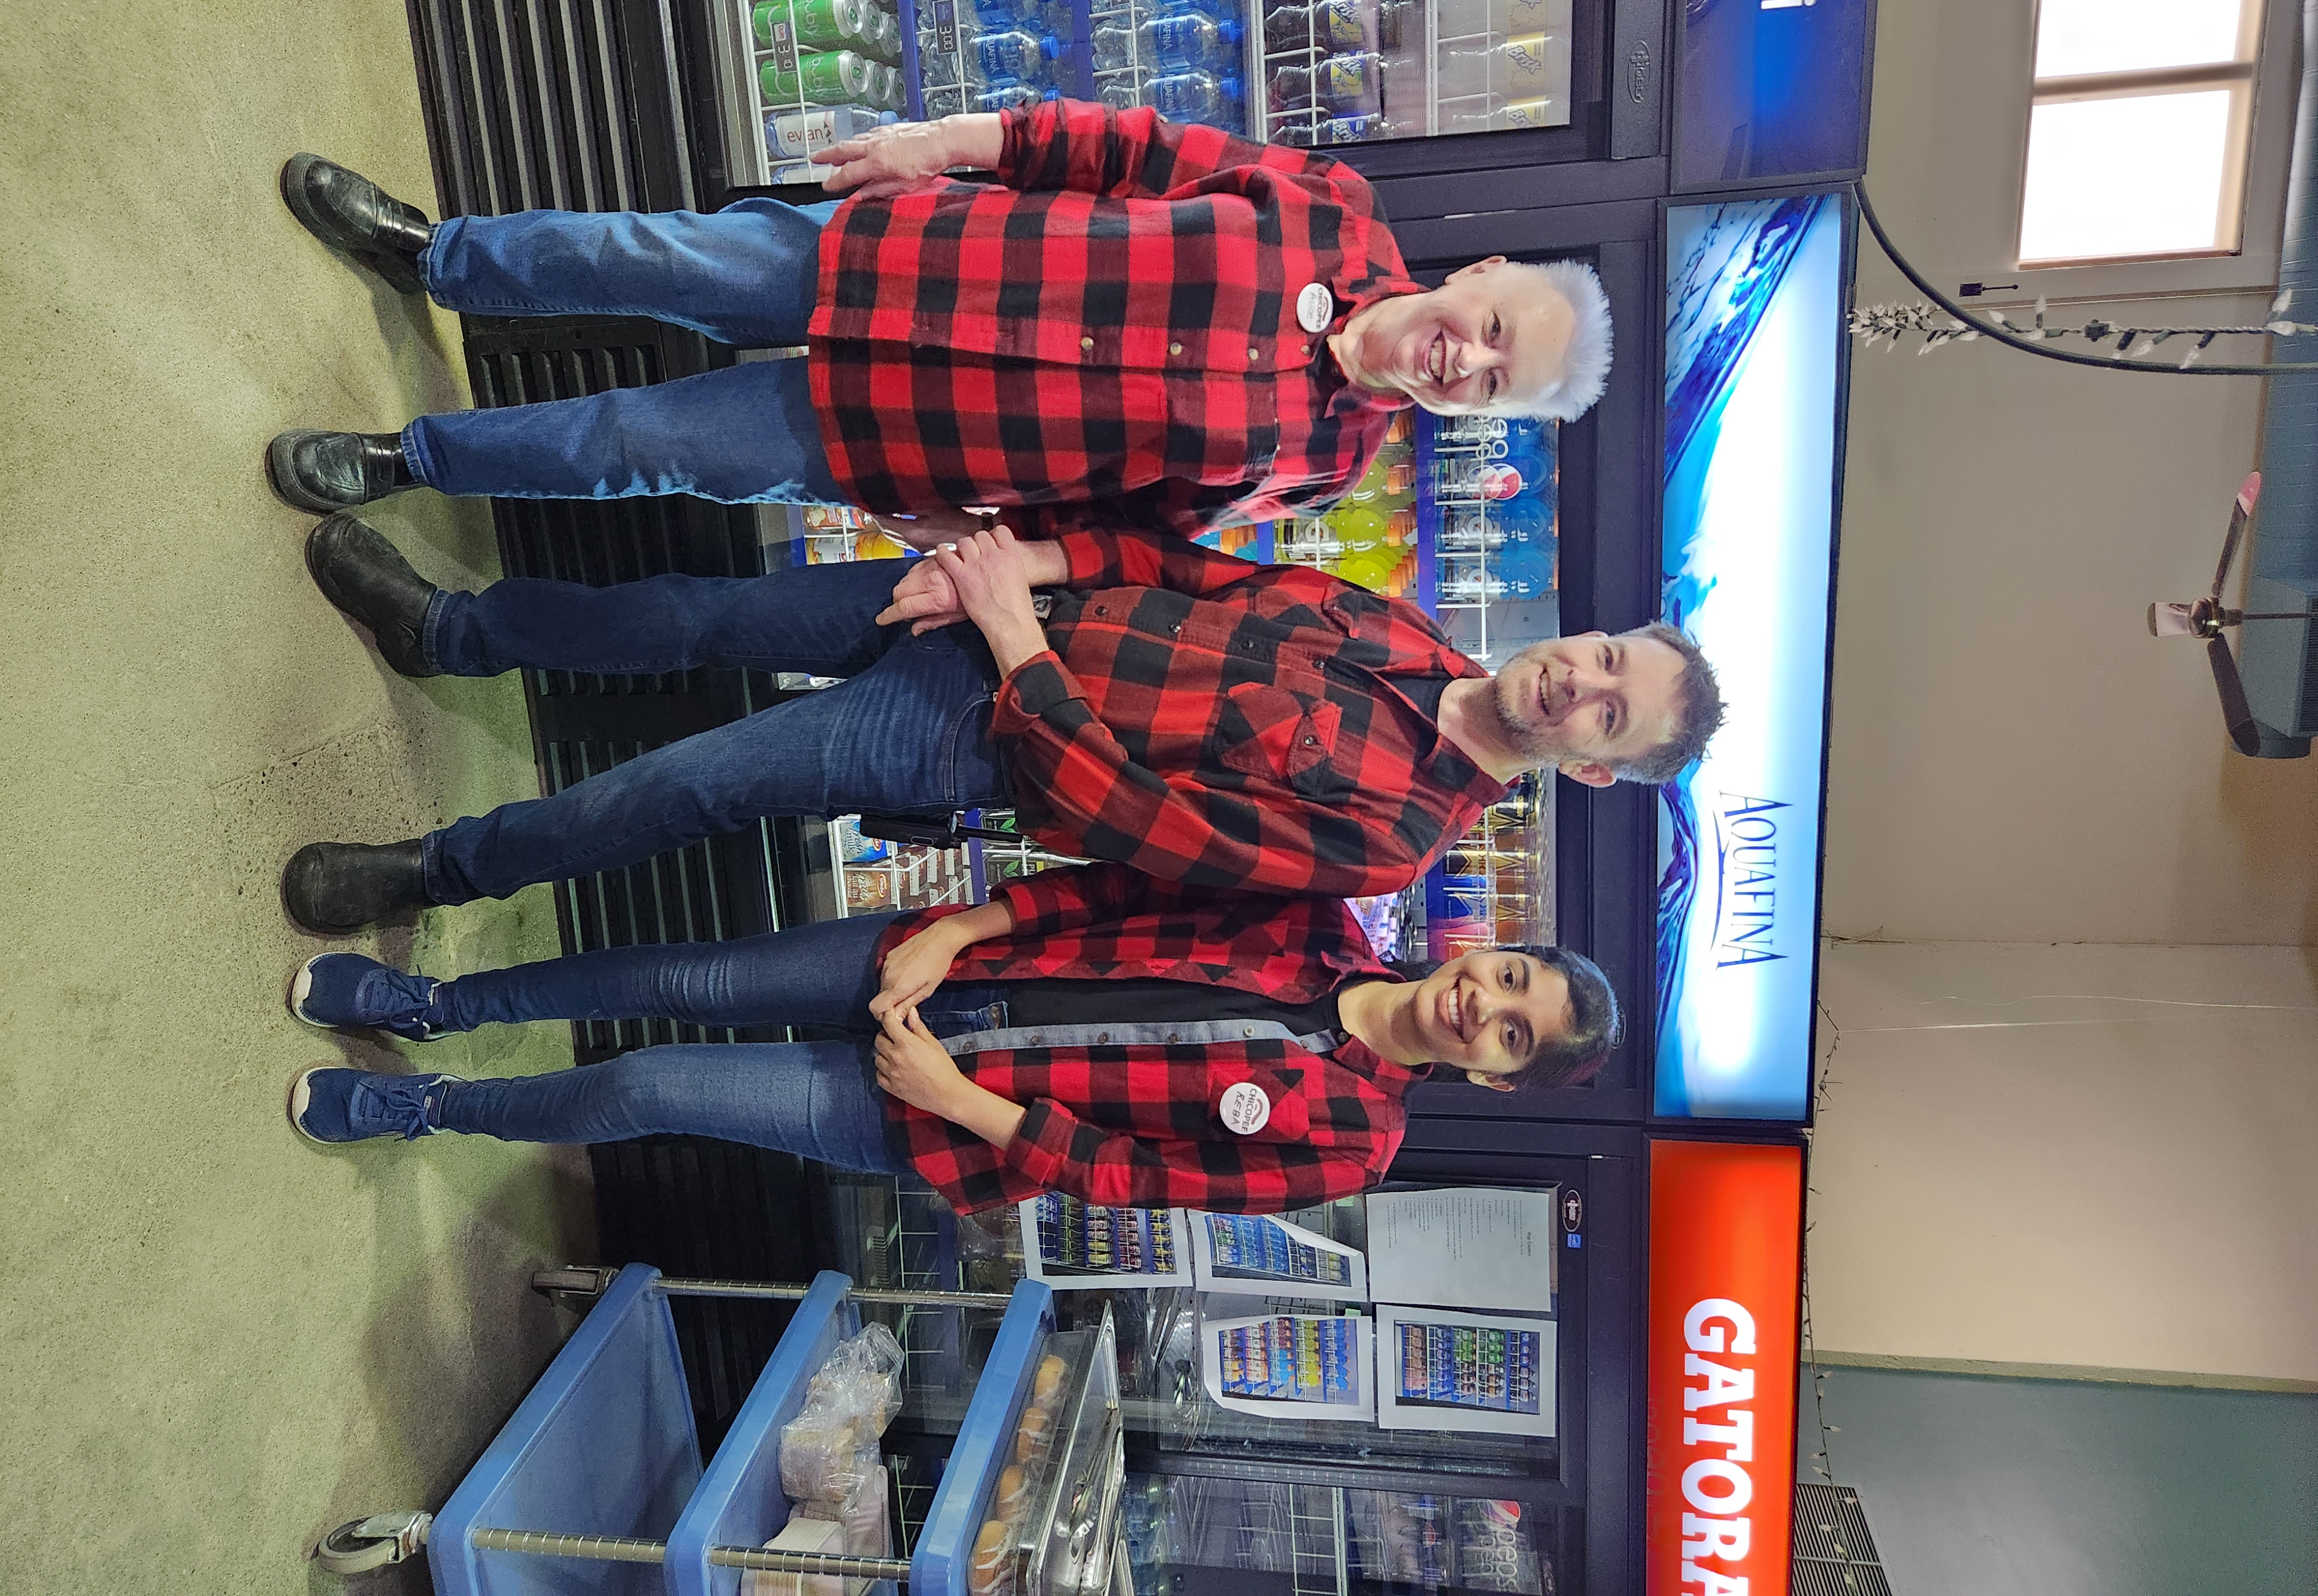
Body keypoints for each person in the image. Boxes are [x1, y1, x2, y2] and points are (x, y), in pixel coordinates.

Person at [282, 518, 1723, 931]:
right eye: (1604, 656)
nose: (1576, 682)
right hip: (992, 604)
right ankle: (448, 631)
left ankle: (437, 872)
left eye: (1607, 713)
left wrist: (1018, 646)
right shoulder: (1400, 627)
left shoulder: (1396, 839)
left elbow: (1143, 826)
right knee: (697, 610)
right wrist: (1018, 566)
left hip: (972, 734)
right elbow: (1185, 571)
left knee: (685, 784)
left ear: (1596, 774)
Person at [267, 100, 1614, 542]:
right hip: (911, 258)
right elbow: (1121, 147)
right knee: (651, 253)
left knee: (637, 444)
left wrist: (962, 533)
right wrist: (945, 141)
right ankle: (436, 254)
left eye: (1495, 381)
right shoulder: (1329, 203)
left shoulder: (1322, 468)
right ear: (1485, 271)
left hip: (902, 444)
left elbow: (1123, 529)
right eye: (1495, 326)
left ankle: (410, 460)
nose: (1468, 358)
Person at [284, 862, 1622, 1215]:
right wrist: (962, 929)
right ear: (1487, 948)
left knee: (644, 1084)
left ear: (1494, 1074)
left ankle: (425, 1106)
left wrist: (952, 1095)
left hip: (929, 1114)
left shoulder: (1352, 1144)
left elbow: (1134, 1180)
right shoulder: (1316, 917)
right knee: (684, 972)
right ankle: (432, 1004)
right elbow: (1111, 893)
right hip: (939, 966)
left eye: (1511, 1034)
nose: (1484, 1004)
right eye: (1508, 978)